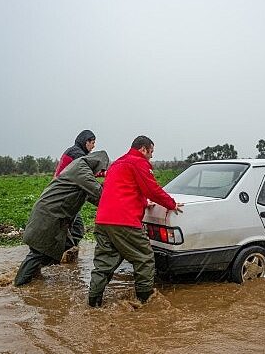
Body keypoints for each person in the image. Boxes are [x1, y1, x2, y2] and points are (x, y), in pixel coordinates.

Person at [88, 135, 183, 307]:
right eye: (151, 152)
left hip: (103, 221)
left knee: (104, 263)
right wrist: (171, 204)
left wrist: (143, 204)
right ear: (143, 149)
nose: (152, 156)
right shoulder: (138, 162)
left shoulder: (117, 164)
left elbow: (125, 190)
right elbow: (151, 189)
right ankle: (145, 301)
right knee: (145, 258)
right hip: (124, 222)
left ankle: (93, 303)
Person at [14, 150, 110, 286]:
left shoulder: (81, 172)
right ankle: (19, 286)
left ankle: (33, 277)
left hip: (54, 215)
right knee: (38, 252)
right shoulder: (81, 168)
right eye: (101, 169)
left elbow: (94, 198)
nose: (99, 172)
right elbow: (99, 193)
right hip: (49, 214)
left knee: (62, 247)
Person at [52, 130, 98, 248]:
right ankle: (65, 254)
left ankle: (65, 254)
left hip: (60, 194)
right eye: (92, 142)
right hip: (64, 196)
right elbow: (86, 176)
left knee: (70, 228)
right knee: (77, 228)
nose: (93, 146)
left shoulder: (73, 151)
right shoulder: (78, 154)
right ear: (86, 142)